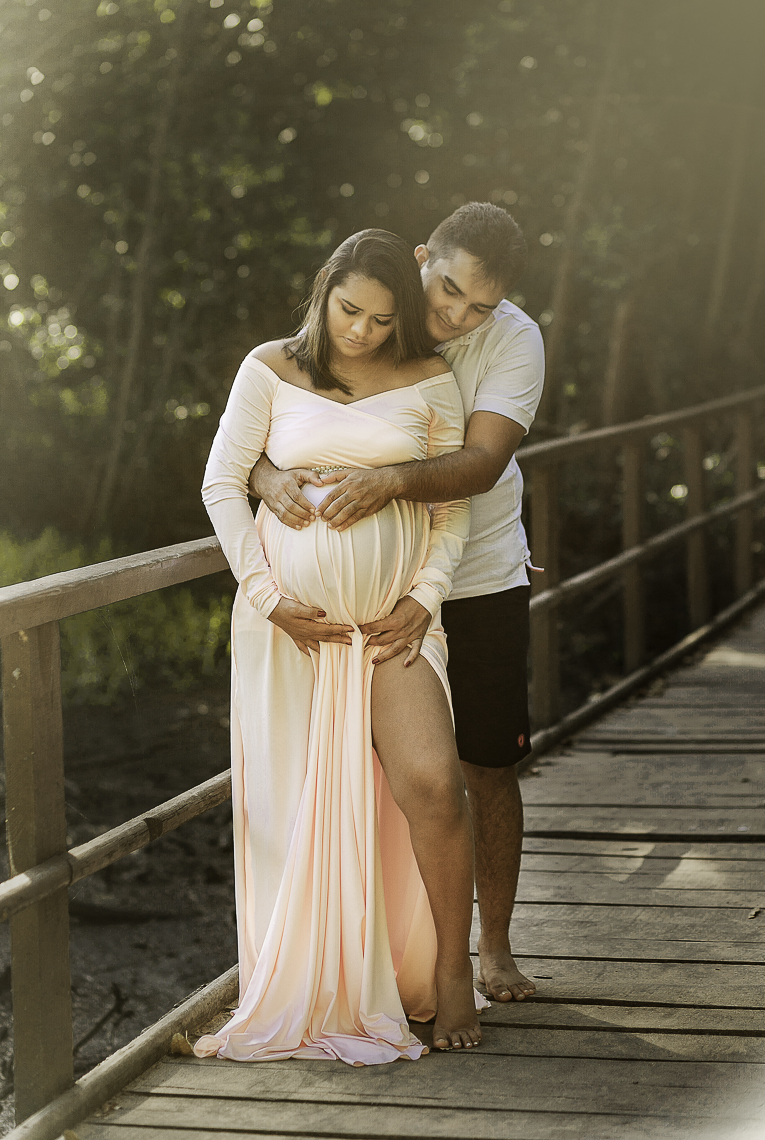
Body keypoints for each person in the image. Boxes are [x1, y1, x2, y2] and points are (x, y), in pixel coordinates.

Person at [194, 229, 485, 1066]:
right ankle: (321, 979)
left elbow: (451, 506)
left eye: (382, 320)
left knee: (433, 784)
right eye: (349, 309)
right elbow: (223, 480)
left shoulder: (429, 379)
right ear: (323, 291)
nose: (360, 331)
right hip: (290, 630)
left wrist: (425, 598)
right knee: (293, 806)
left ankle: (450, 968)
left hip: (392, 623)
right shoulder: (271, 368)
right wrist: (268, 596)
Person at [250, 203, 545, 1005]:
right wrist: (264, 476)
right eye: (445, 289)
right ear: (422, 258)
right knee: (389, 775)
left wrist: (386, 484)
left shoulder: (514, 341)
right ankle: (379, 958)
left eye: (476, 306)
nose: (453, 315)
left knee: (487, 764)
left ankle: (493, 947)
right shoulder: (372, 311)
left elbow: (480, 465)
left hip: (477, 578)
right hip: (368, 599)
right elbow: (287, 413)